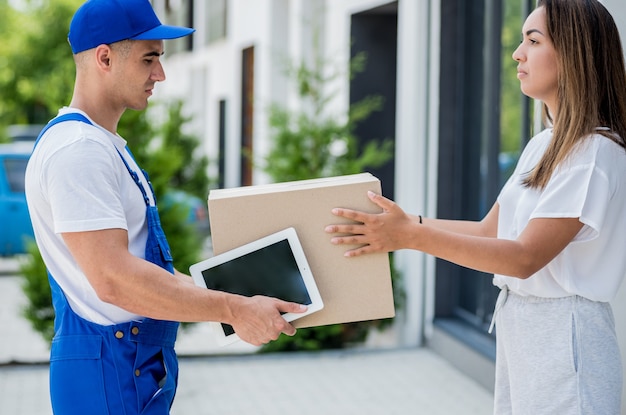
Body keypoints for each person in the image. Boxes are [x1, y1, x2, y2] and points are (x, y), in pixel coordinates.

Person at [326, 0, 626, 413]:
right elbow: (491, 233)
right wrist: (408, 224)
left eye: (532, 41)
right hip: (524, 329)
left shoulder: (593, 151)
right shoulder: (546, 144)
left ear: (575, 54)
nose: (517, 53)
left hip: (565, 334)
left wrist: (412, 236)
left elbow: (524, 258)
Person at [24, 0, 306, 413]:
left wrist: (244, 300)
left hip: (124, 369)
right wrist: (234, 309)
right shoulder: (79, 151)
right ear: (104, 57)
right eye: (149, 59)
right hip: (109, 377)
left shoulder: (99, 145)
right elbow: (114, 280)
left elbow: (147, 270)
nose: (161, 74)